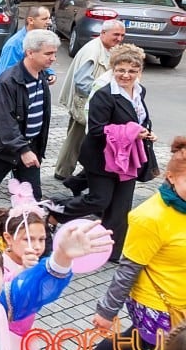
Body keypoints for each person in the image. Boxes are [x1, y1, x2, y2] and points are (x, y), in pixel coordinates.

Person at [68, 141, 186, 350]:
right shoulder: (151, 217)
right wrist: (106, 311)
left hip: (180, 299)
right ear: (171, 177)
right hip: (156, 303)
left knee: (141, 339)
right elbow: (127, 269)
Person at [47, 44, 153, 262]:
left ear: (139, 72)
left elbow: (139, 118)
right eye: (121, 69)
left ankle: (111, 252)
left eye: (132, 71)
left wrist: (146, 132)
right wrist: (132, 132)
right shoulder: (104, 95)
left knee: (121, 207)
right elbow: (96, 129)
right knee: (99, 201)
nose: (126, 75)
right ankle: (55, 210)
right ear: (113, 69)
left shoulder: (140, 91)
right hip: (102, 157)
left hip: (127, 159)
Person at [0, 29, 58, 229]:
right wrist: (23, 150)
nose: (53, 58)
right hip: (4, 148)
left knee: (33, 195)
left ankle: (34, 234)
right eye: (48, 54)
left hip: (29, 146)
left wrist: (32, 148)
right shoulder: (8, 81)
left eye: (54, 53)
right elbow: (6, 121)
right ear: (30, 52)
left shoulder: (41, 77)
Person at [0, 183, 57, 350]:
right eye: (28, 239)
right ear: (8, 238)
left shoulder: (36, 264)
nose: (37, 246)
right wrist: (23, 274)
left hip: (22, 342)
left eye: (42, 239)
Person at [55, 19, 126, 181]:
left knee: (80, 138)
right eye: (116, 34)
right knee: (75, 138)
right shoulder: (93, 50)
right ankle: (63, 172)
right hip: (85, 102)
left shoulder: (105, 48)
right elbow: (82, 81)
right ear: (103, 33)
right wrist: (102, 97)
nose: (119, 38)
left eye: (122, 35)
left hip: (92, 102)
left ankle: (76, 173)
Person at [0, 6, 53, 102]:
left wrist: (49, 73)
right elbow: (6, 76)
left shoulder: (40, 39)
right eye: (44, 19)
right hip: (9, 98)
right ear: (31, 20)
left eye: (49, 18)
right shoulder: (14, 44)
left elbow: (38, 61)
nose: (49, 22)